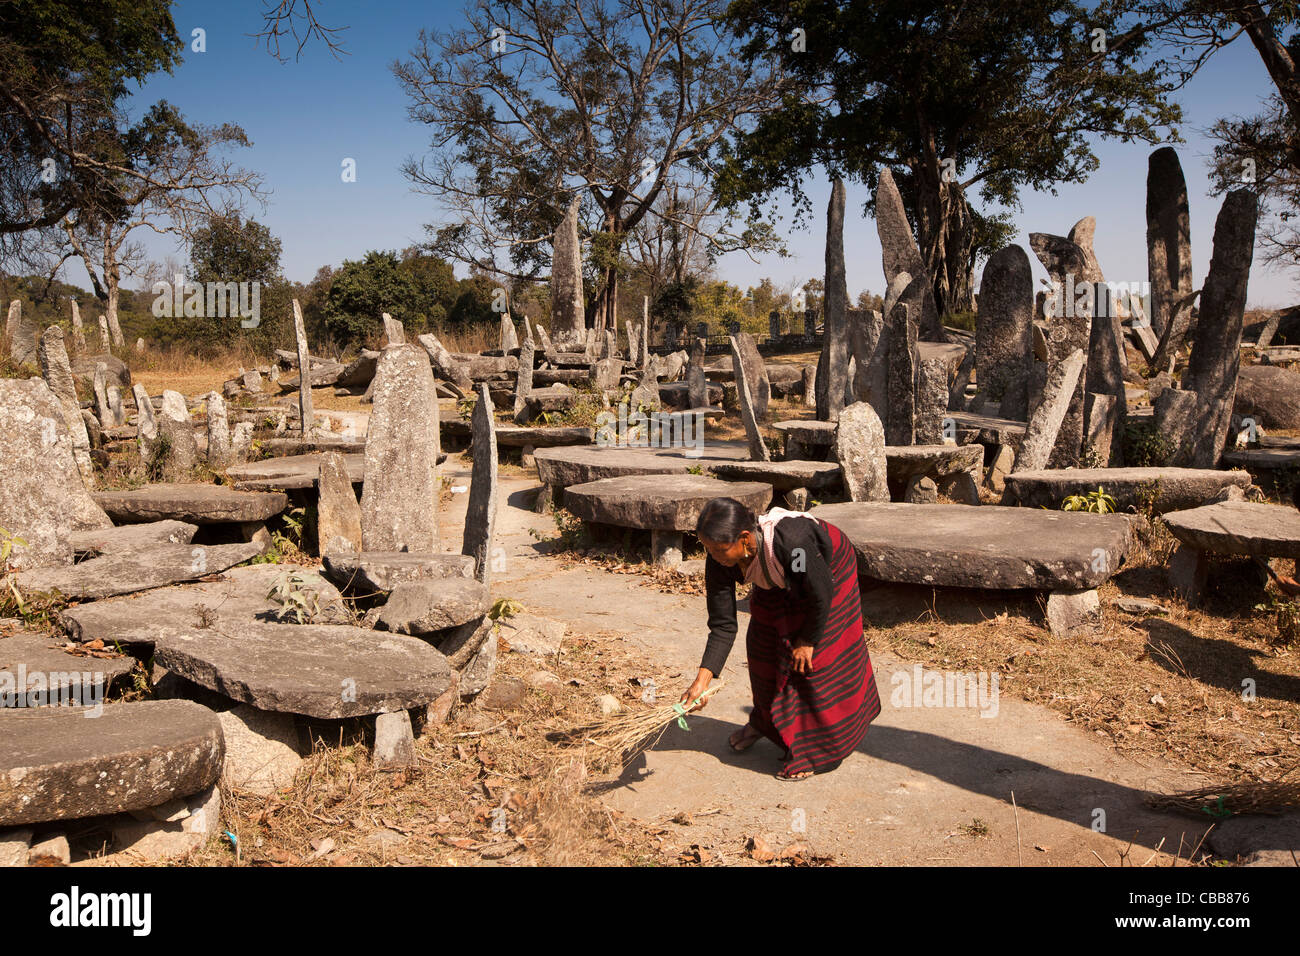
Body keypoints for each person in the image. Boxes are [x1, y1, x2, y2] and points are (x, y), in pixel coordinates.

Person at [679, 497, 881, 781]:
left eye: (719, 550)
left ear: (746, 539)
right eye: (708, 549)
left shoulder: (793, 547)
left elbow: (819, 592)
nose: (713, 556)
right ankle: (766, 723)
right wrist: (701, 681)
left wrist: (808, 640)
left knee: (811, 662)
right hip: (782, 576)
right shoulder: (721, 560)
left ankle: (819, 750)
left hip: (826, 574)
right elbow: (723, 625)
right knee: (761, 648)